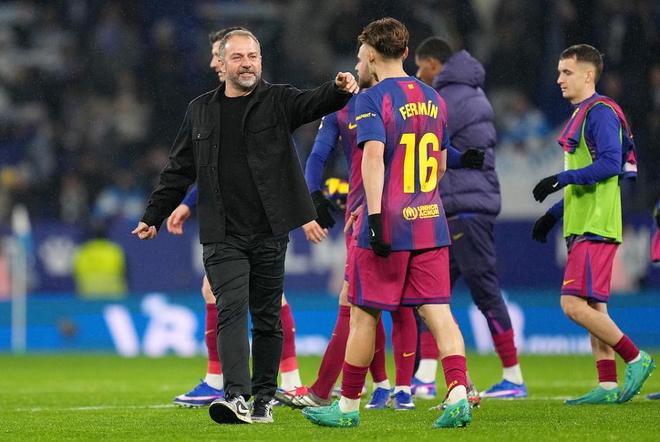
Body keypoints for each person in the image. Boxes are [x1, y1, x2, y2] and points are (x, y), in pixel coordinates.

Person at [132, 28, 357, 425]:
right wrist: (153, 215)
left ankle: (263, 399)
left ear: (260, 60)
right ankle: (236, 396)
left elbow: (313, 102)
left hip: (269, 230)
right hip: (222, 234)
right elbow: (179, 169)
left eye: (253, 56)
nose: (247, 63)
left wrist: (339, 89)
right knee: (231, 310)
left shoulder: (279, 100)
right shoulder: (200, 110)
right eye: (238, 57)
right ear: (222, 63)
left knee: (267, 317)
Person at [303, 18, 471, 429]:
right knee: (439, 313)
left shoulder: (371, 99)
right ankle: (458, 394)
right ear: (406, 53)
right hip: (430, 221)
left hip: (388, 223)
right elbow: (442, 164)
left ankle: (347, 409)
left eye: (362, 57)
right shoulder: (434, 98)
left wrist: (376, 218)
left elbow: (373, 158)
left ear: (373, 56)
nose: (359, 64)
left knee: (363, 315)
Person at [167, 27, 305, 407]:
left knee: (263, 301)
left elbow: (270, 163)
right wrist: (189, 202)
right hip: (234, 222)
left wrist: (305, 206)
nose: (214, 62)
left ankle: (285, 381)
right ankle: (234, 381)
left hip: (263, 219)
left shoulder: (264, 104)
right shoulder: (214, 107)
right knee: (225, 294)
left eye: (219, 55)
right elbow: (216, 168)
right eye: (218, 56)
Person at [531, 44, 655, 405]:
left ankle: (636, 357)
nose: (559, 79)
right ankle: (607, 385)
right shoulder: (583, 113)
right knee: (594, 307)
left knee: (572, 304)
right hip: (583, 221)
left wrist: (560, 178)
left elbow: (610, 165)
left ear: (588, 75)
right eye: (559, 72)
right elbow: (585, 180)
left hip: (596, 225)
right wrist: (553, 215)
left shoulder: (600, 112)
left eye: (567, 72)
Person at [414, 36, 526, 400]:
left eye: (420, 68)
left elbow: (427, 140)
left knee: (484, 291)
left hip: (465, 206)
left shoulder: (449, 98)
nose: (417, 75)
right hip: (458, 206)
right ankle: (425, 376)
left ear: (433, 65)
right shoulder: (468, 93)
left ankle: (513, 377)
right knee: (430, 295)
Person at [168, 186, 305, 407]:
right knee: (269, 296)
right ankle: (290, 382)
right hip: (258, 216)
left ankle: (218, 381)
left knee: (265, 296)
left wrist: (188, 203)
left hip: (249, 221)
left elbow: (215, 174)